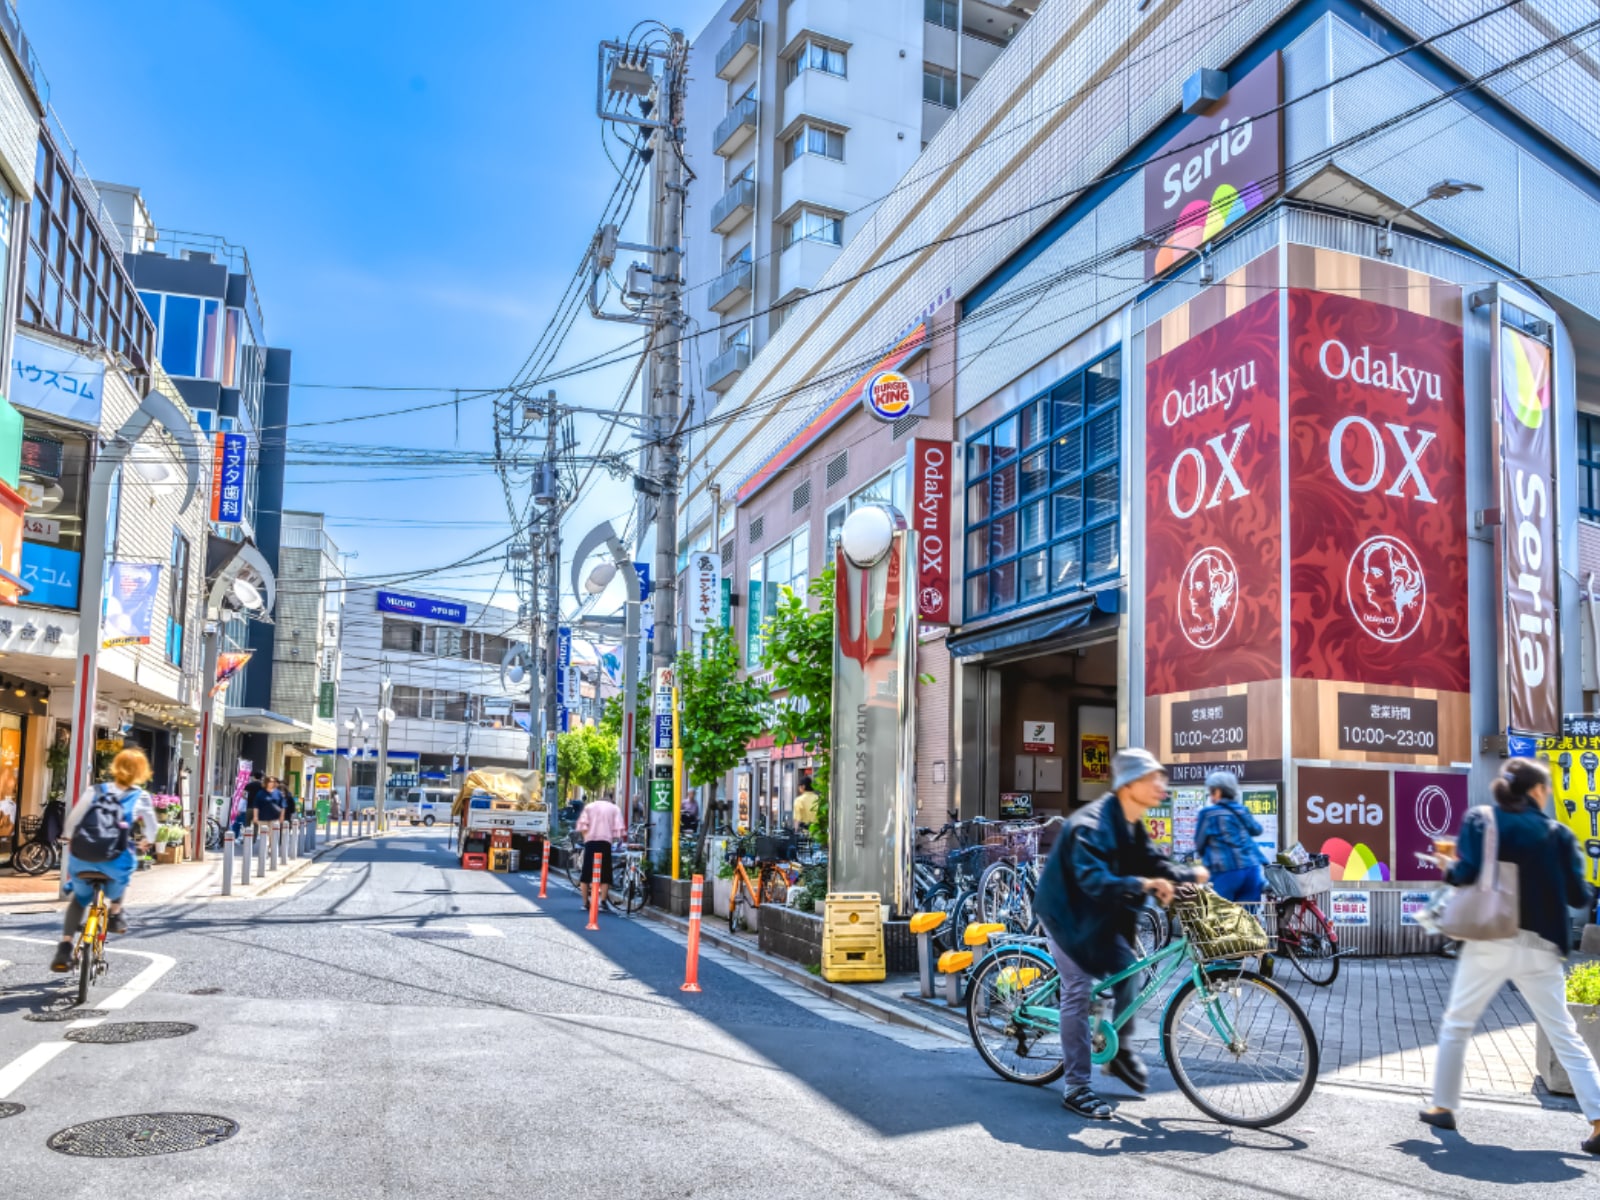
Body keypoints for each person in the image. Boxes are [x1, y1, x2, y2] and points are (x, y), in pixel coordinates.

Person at [1421, 758, 1600, 1155]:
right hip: (1543, 947)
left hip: (1492, 939)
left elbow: (1465, 874)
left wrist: (1447, 865)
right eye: (1548, 787)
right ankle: (1599, 1121)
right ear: (1536, 791)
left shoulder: (1481, 820)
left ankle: (1443, 1105)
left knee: (1458, 1023)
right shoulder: (1559, 834)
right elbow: (1578, 896)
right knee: (1564, 1033)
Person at [1032, 747, 1209, 1120]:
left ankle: (1121, 1051)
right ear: (1130, 785)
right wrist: (1145, 884)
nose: (1161, 785)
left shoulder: (1130, 821)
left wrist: (1184, 876)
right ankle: (1077, 1086)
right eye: (1152, 779)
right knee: (1077, 991)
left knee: (1131, 970)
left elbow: (1151, 860)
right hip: (1066, 912)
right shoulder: (1091, 824)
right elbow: (1093, 879)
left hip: (1098, 914)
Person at [51, 748, 158, 972]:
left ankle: (65, 946)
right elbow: (152, 829)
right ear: (141, 772)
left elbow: (73, 820)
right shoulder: (141, 796)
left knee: (80, 899)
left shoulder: (95, 790)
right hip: (115, 862)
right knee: (126, 865)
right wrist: (147, 841)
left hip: (82, 860)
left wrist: (67, 837)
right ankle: (116, 913)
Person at [1193, 770, 1267, 902]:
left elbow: (1199, 844)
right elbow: (1257, 830)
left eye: (1211, 792)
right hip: (1252, 870)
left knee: (1221, 915)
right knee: (1248, 917)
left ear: (1218, 792)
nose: (1210, 796)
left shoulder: (1208, 814)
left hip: (1225, 872)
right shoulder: (1242, 810)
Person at [575, 790, 626, 909]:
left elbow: (583, 826)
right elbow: (618, 830)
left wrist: (587, 838)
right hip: (605, 843)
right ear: (610, 799)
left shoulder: (589, 807)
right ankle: (603, 901)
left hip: (590, 842)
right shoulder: (614, 808)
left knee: (586, 873)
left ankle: (585, 902)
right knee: (605, 873)